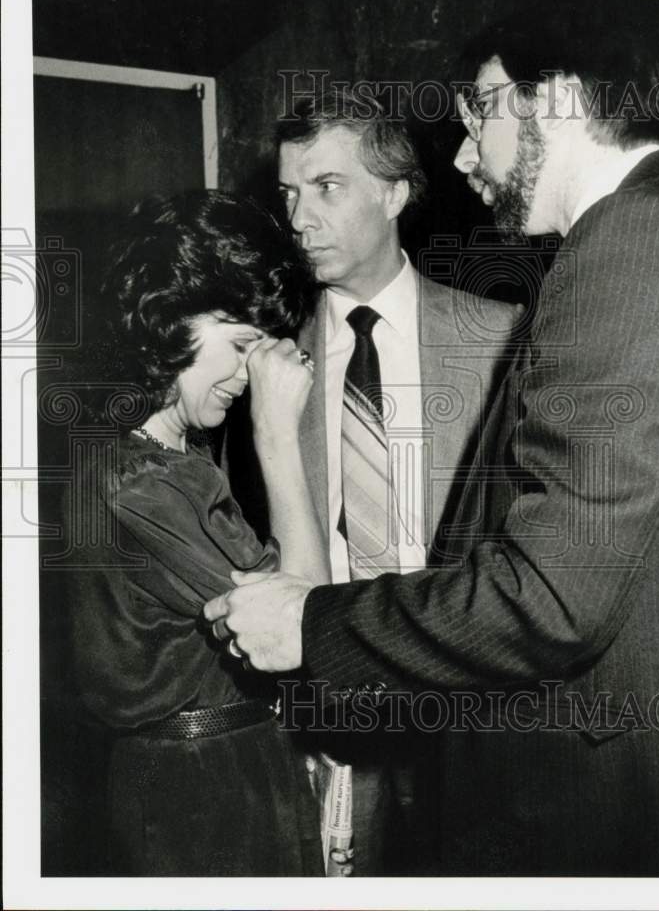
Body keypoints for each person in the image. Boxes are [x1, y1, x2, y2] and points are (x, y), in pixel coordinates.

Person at [206, 11, 659, 877]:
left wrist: (314, 626)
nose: (466, 154)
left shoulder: (631, 241)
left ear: (562, 98)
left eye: (481, 112)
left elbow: (553, 593)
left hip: (576, 779)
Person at [225, 89, 522, 875]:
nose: (299, 218)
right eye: (290, 193)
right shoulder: (258, 369)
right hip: (327, 713)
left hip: (469, 704)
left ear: (395, 193)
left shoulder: (501, 341)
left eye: (328, 187)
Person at [63, 191, 338, 876]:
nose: (249, 376)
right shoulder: (145, 484)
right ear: (172, 313)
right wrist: (278, 437)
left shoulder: (155, 460)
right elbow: (305, 618)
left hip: (219, 766)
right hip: (202, 786)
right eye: (241, 343)